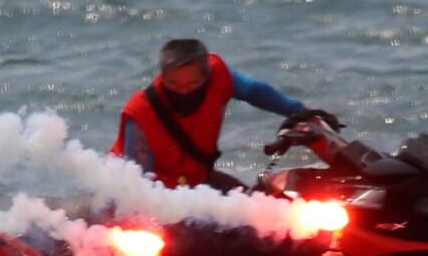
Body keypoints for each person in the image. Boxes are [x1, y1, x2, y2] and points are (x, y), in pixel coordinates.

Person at [110, 38, 341, 192]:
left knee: (256, 208)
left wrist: (299, 112)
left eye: (192, 85)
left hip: (197, 181)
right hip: (149, 194)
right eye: (173, 84)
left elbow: (254, 91)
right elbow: (137, 184)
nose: (182, 92)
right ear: (162, 77)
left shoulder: (219, 77)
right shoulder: (141, 113)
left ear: (206, 77)